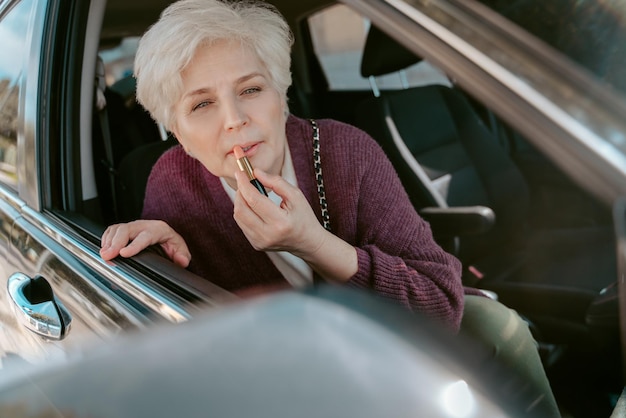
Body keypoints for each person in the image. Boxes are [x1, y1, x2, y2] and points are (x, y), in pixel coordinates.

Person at [99, 1, 560, 416]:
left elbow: (440, 302)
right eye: (201, 104)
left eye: (252, 90)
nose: (234, 118)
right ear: (177, 132)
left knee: (497, 326)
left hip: (394, 354)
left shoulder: (346, 150)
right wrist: (167, 259)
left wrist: (314, 243)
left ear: (281, 97)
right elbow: (196, 354)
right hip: (290, 389)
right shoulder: (172, 183)